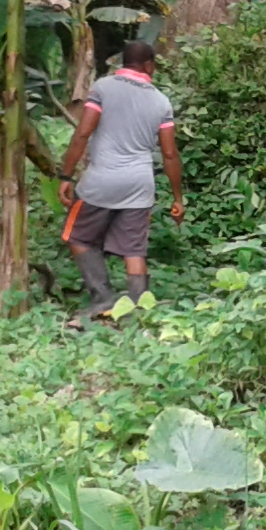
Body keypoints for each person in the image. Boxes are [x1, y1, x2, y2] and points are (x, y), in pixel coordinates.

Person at [56, 40, 185, 321]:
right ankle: (139, 308)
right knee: (133, 249)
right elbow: (170, 154)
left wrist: (66, 175)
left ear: (122, 61)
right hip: (140, 185)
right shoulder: (161, 101)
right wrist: (178, 198)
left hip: (101, 181)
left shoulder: (103, 88)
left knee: (77, 236)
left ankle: (102, 298)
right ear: (149, 65)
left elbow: (82, 134)